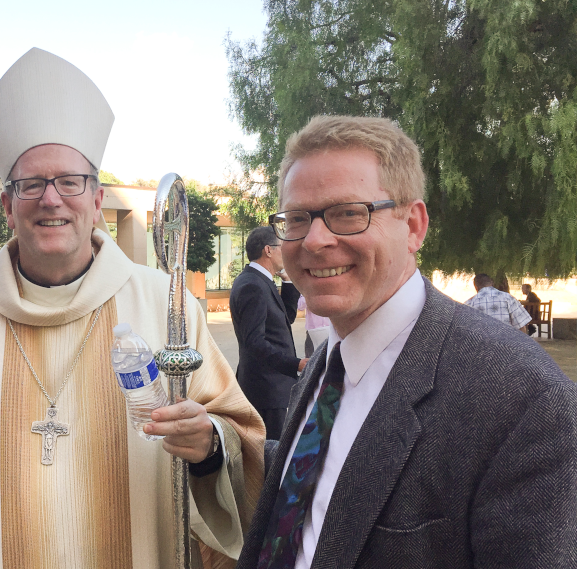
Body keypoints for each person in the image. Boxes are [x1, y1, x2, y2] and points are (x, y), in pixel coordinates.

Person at [0, 48, 265, 569]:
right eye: (31, 184)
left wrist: (209, 445)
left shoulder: (166, 306)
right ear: (8, 206)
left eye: (70, 182)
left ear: (97, 200)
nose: (51, 199)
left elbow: (238, 437)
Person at [237, 115, 577, 569]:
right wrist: (217, 445)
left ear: (414, 225)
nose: (315, 240)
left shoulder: (523, 398)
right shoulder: (329, 361)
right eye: (297, 219)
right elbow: (322, 477)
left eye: (348, 213)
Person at [230, 226, 308, 441]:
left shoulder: (259, 280)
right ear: (268, 250)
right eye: (282, 247)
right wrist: (296, 364)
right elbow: (254, 342)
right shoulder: (252, 285)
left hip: (272, 389)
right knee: (270, 460)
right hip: (266, 391)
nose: (286, 252)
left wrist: (288, 281)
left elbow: (285, 319)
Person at [465, 273, 532, 332]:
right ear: (492, 283)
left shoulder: (469, 303)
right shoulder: (508, 298)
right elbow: (521, 325)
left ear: (476, 287)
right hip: (507, 342)